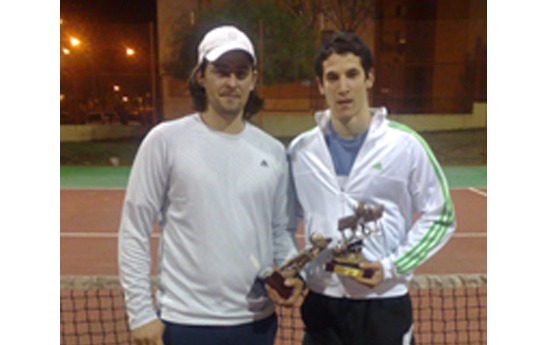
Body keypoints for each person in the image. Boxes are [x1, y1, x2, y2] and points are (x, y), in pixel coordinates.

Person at [118, 25, 303, 345]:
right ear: (201, 76)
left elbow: (279, 232)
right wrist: (141, 314)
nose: (232, 82)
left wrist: (291, 271)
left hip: (256, 324)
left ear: (253, 80)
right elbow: (134, 230)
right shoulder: (165, 141)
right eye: (221, 71)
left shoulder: (273, 151)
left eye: (241, 73)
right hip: (185, 323)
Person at [287, 32, 457, 344]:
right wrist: (294, 270)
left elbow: (441, 215)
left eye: (352, 74)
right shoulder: (301, 151)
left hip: (384, 303)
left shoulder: (405, 145)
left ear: (369, 78)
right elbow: (283, 222)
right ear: (320, 85)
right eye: (332, 77)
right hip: (322, 304)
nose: (343, 87)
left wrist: (392, 266)